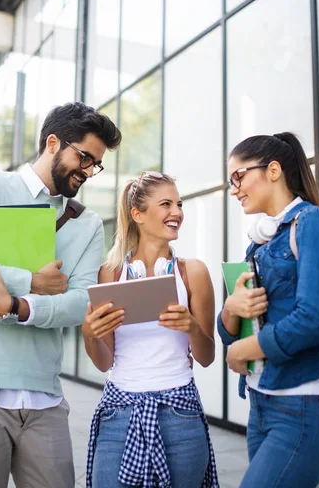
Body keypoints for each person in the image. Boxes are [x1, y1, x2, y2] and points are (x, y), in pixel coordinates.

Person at [0, 101, 121, 488]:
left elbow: (80, 303)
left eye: (95, 164)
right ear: (53, 143)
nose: (88, 171)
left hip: (44, 393)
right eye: (84, 157)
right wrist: (31, 281)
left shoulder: (87, 224)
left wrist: (15, 306)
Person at [82, 171, 219, 488]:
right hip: (119, 411)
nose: (177, 213)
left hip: (180, 412)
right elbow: (104, 361)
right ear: (137, 214)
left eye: (179, 204)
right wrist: (89, 335)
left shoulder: (193, 273)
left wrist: (192, 328)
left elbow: (208, 356)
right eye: (166, 204)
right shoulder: (111, 273)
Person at [218, 132, 319, 488]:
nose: (233, 189)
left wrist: (245, 349)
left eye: (239, 177)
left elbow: (314, 318)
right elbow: (229, 331)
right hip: (260, 402)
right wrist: (231, 309)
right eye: (230, 181)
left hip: (302, 404)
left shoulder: (311, 222)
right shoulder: (258, 241)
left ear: (273, 170)